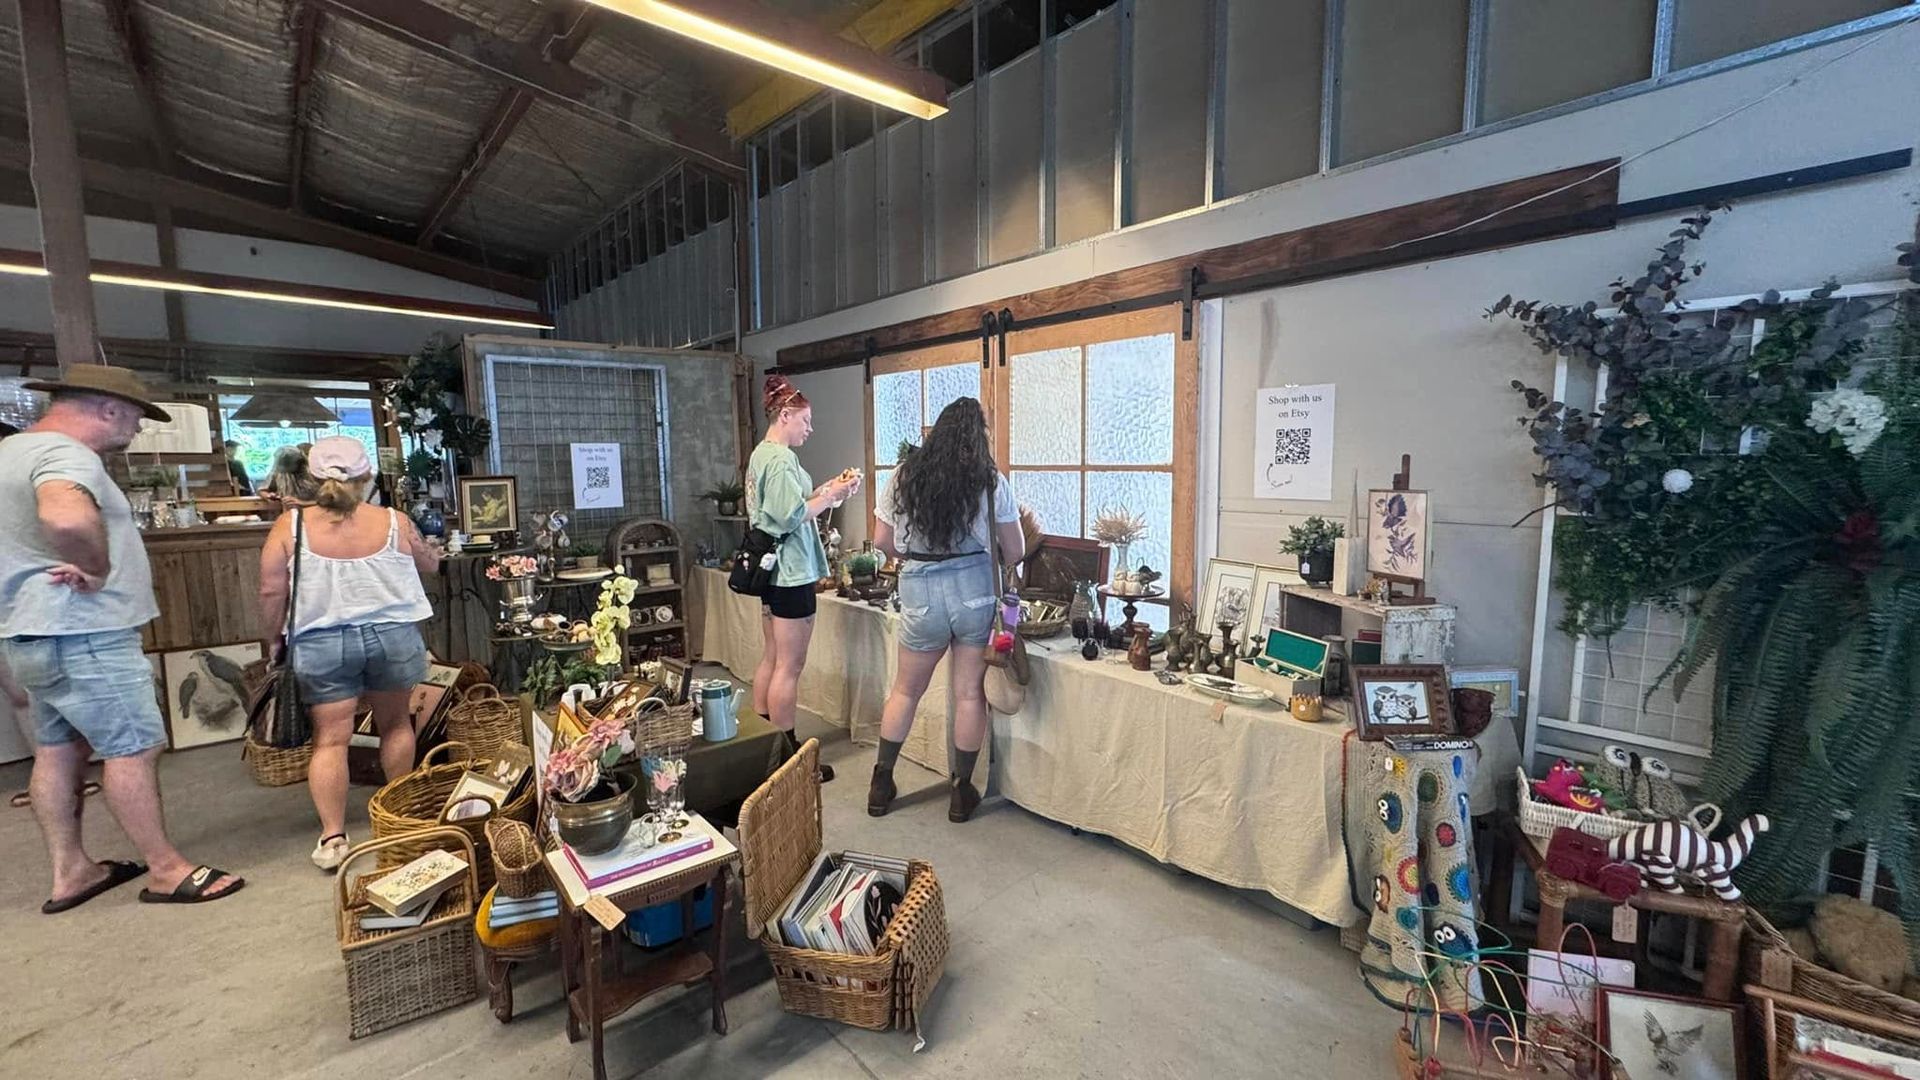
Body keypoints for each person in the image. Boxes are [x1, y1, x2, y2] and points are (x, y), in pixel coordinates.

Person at [0, 365, 244, 910]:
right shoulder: (67, 455)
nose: (136, 429)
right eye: (136, 416)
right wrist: (98, 565)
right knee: (133, 747)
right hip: (86, 632)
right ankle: (166, 868)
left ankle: (72, 871)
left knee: (57, 750)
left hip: (31, 632)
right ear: (108, 407)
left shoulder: (10, 452)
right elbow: (65, 518)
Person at [258, 437, 441, 871]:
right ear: (368, 477)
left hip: (322, 641)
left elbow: (270, 590)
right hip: (393, 636)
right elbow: (429, 565)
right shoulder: (394, 520)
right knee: (396, 725)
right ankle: (402, 821)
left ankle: (333, 839)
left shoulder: (291, 525)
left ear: (313, 477)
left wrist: (273, 639)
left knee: (331, 739)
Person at [866, 397, 1023, 822]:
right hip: (974, 590)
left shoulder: (903, 475)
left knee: (905, 690)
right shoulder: (989, 480)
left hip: (920, 591)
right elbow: (1015, 550)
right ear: (978, 437)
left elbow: (882, 542)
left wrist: (916, 553)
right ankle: (961, 791)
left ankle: (881, 782)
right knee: (969, 693)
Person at [747, 375, 860, 781]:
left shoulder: (764, 455)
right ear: (785, 415)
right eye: (806, 421)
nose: (810, 429)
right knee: (788, 667)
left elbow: (794, 503)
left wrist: (830, 489)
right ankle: (788, 760)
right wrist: (829, 498)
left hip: (771, 570)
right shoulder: (779, 459)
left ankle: (762, 746)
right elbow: (790, 515)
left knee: (773, 657)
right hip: (790, 572)